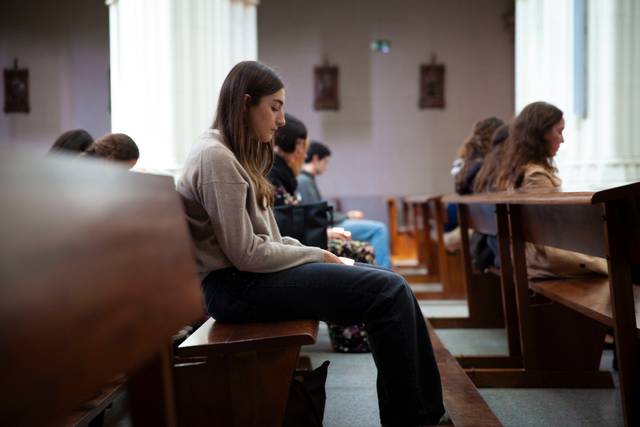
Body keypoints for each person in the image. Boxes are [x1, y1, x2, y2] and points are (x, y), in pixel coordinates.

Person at [176, 60, 445, 426]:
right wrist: (318, 253)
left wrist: (319, 255)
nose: (282, 119)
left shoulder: (229, 154)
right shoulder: (216, 158)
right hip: (236, 289)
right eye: (274, 106)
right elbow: (246, 253)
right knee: (388, 293)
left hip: (246, 282)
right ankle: (416, 419)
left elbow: (266, 240)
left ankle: (422, 415)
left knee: (392, 286)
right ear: (244, 103)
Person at [493, 101, 607, 279]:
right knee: (625, 264)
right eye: (559, 131)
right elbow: (550, 243)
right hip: (545, 260)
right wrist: (601, 262)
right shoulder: (534, 176)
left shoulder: (521, 169)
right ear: (540, 133)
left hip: (535, 256)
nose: (562, 139)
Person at [298, 141, 392, 269]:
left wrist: (347, 215)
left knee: (377, 229)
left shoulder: (306, 179)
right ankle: (386, 271)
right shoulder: (303, 180)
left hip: (330, 224)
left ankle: (384, 271)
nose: (327, 167)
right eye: (325, 162)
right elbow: (316, 215)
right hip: (330, 226)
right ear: (315, 159)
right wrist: (346, 216)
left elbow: (318, 212)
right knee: (379, 229)